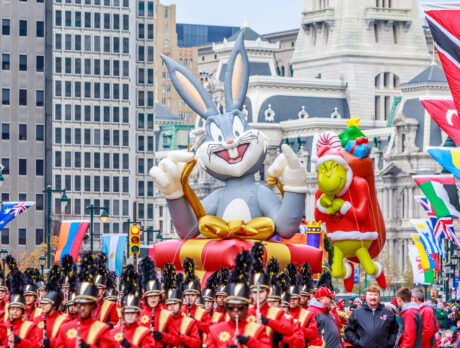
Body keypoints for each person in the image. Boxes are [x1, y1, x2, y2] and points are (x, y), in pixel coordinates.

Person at [205, 250, 270, 348]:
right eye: (231, 307)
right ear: (226, 306)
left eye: (240, 307)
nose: (235, 310)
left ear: (247, 307)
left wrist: (249, 341)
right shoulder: (214, 330)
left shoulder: (258, 330)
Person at [56, 252, 114, 347]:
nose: (82, 308)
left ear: (92, 305)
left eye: (86, 304)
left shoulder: (102, 330)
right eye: (79, 304)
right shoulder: (64, 329)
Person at [138, 256, 180, 348]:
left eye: (155, 296)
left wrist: (162, 336)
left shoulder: (167, 315)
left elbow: (176, 340)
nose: (153, 298)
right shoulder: (138, 315)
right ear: (146, 297)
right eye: (150, 296)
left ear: (159, 297)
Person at [110, 265, 155, 347]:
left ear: (138, 314)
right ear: (123, 313)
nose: (130, 315)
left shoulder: (145, 334)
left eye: (133, 312)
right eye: (127, 313)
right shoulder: (113, 333)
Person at [1, 257, 41, 348]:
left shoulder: (29, 327)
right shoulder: (2, 326)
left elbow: (36, 345)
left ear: (23, 311)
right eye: (12, 309)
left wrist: (20, 340)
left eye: (17, 309)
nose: (14, 311)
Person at [163, 264, 201, 348]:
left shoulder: (189, 322)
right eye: (169, 304)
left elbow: (197, 344)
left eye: (175, 303)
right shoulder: (162, 320)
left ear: (180, 305)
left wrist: (182, 336)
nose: (172, 306)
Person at [33, 265, 70, 348]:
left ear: (54, 306)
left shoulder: (64, 321)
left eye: (46, 303)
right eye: (42, 303)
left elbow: (66, 343)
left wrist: (51, 342)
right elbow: (33, 340)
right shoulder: (36, 319)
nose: (42, 305)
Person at [181, 258, 212, 335]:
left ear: (197, 297)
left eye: (193, 295)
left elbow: (210, 329)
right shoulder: (179, 311)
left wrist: (195, 321)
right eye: (188, 295)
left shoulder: (203, 313)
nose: (190, 297)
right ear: (184, 296)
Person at [94, 254, 119, 326]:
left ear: (104, 291)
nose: (96, 291)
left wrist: (107, 326)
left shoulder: (110, 305)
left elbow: (114, 321)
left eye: (99, 289)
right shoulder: (87, 304)